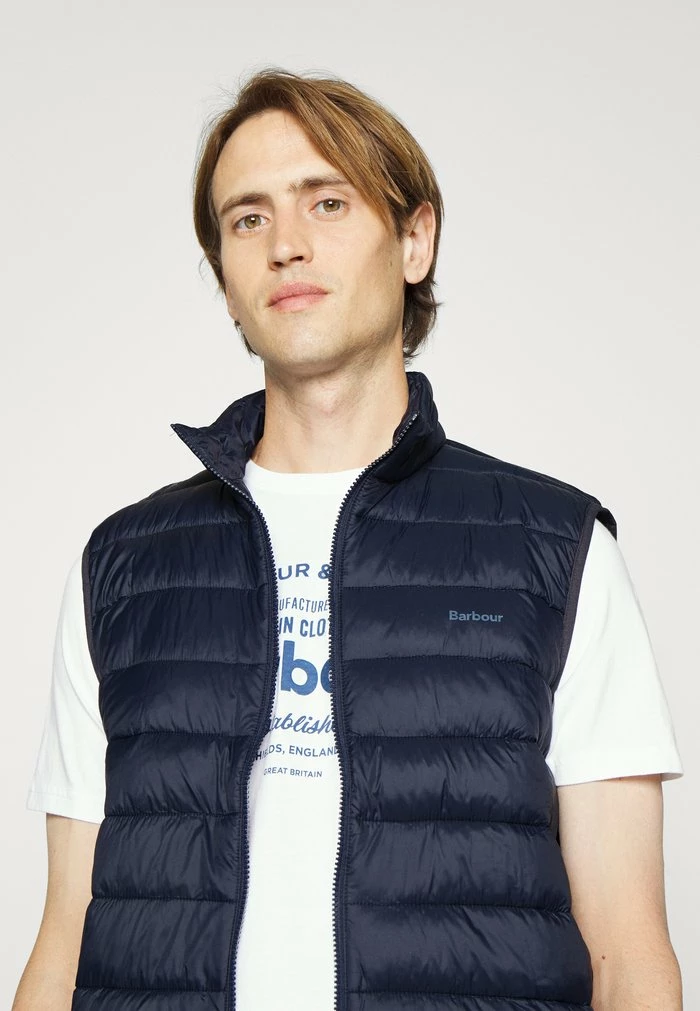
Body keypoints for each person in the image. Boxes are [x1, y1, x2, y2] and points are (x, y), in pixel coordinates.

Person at [14, 68, 683, 1011]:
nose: (286, 244)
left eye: (327, 202)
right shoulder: (123, 568)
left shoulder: (555, 550)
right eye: (248, 218)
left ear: (415, 240)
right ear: (225, 279)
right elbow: (65, 937)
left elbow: (628, 955)